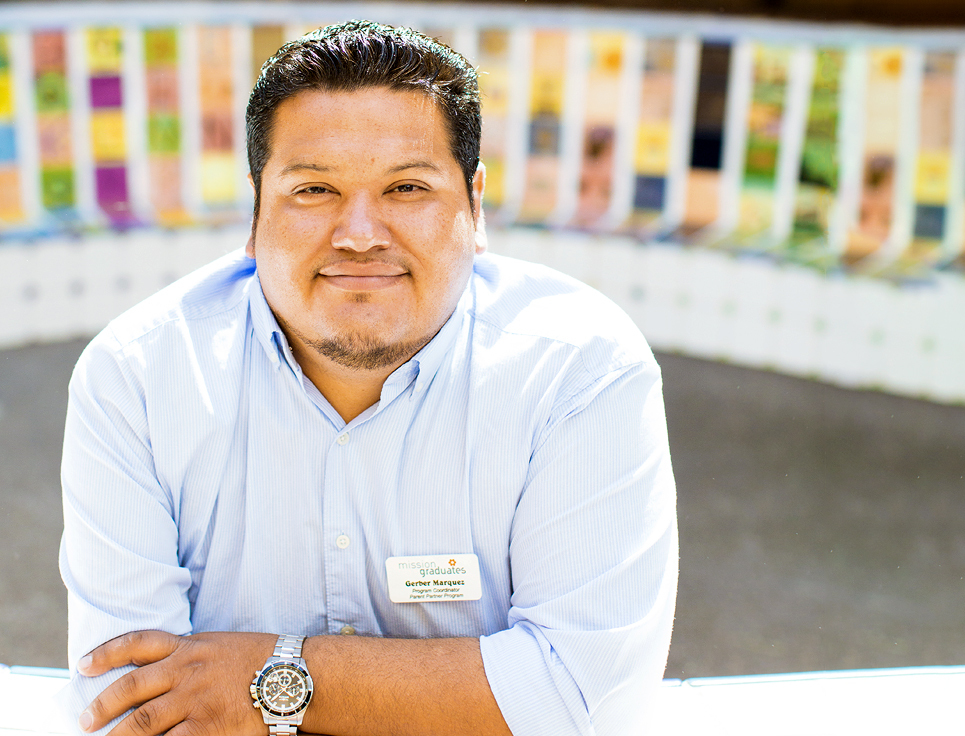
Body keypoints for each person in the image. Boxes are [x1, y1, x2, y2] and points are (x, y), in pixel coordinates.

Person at [58, 20, 678, 736]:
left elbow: (582, 697)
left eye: (406, 187)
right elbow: (133, 707)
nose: (359, 234)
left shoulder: (580, 370)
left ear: (475, 205)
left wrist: (266, 678)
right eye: (314, 189)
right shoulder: (136, 377)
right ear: (255, 213)